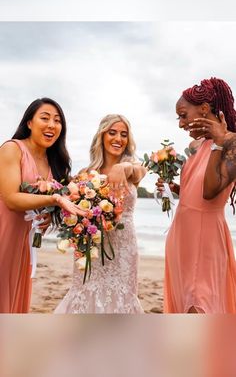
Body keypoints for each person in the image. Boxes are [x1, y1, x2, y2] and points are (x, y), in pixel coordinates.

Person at [158, 77, 236, 313]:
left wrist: (219, 143)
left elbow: (210, 191)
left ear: (204, 109)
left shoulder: (232, 143)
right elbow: (195, 190)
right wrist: (174, 189)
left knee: (199, 305)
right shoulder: (196, 146)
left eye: (184, 115)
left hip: (206, 238)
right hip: (182, 235)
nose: (181, 124)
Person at [55, 114, 146, 313]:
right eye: (112, 133)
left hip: (124, 246)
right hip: (92, 246)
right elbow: (71, 209)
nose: (118, 139)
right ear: (102, 136)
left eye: (123, 134)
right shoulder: (85, 174)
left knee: (123, 298)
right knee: (86, 292)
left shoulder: (134, 168)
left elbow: (140, 171)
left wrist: (123, 166)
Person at [0, 98, 83, 313]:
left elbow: (47, 203)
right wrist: (54, 199)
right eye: (44, 118)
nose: (51, 125)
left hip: (25, 240)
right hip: (3, 232)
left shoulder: (54, 161)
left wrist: (49, 215)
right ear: (29, 122)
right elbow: (10, 198)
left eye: (57, 120)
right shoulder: (12, 149)